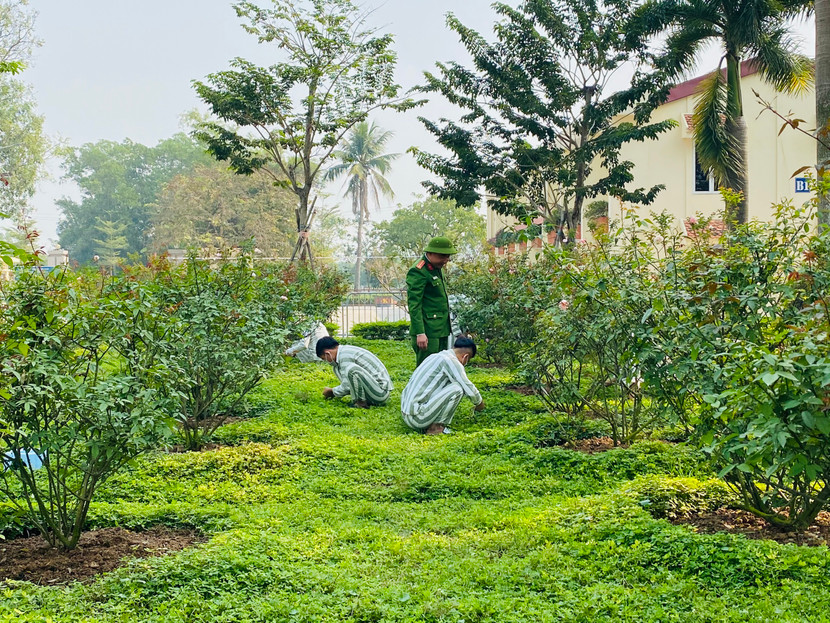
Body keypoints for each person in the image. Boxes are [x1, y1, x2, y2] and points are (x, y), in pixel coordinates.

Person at [400, 336, 485, 435]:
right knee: (458, 388)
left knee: (451, 384)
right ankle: (436, 428)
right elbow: (468, 387)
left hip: (406, 413)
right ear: (465, 357)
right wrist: (480, 404)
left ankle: (432, 423)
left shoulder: (436, 356)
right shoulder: (451, 361)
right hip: (417, 418)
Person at [406, 236, 457, 367]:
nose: (446, 260)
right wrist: (420, 333)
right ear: (430, 253)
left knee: (440, 369)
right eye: (442, 256)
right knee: (427, 370)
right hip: (428, 331)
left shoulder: (435, 268)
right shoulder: (419, 271)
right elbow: (414, 305)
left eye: (448, 256)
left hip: (441, 329)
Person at [316, 336, 392, 408]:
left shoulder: (344, 355)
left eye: (324, 359)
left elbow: (347, 385)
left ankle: (360, 403)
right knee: (338, 368)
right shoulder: (343, 353)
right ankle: (361, 400)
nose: (327, 362)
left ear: (327, 353)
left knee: (352, 369)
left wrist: (332, 392)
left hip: (380, 393)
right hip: (374, 390)